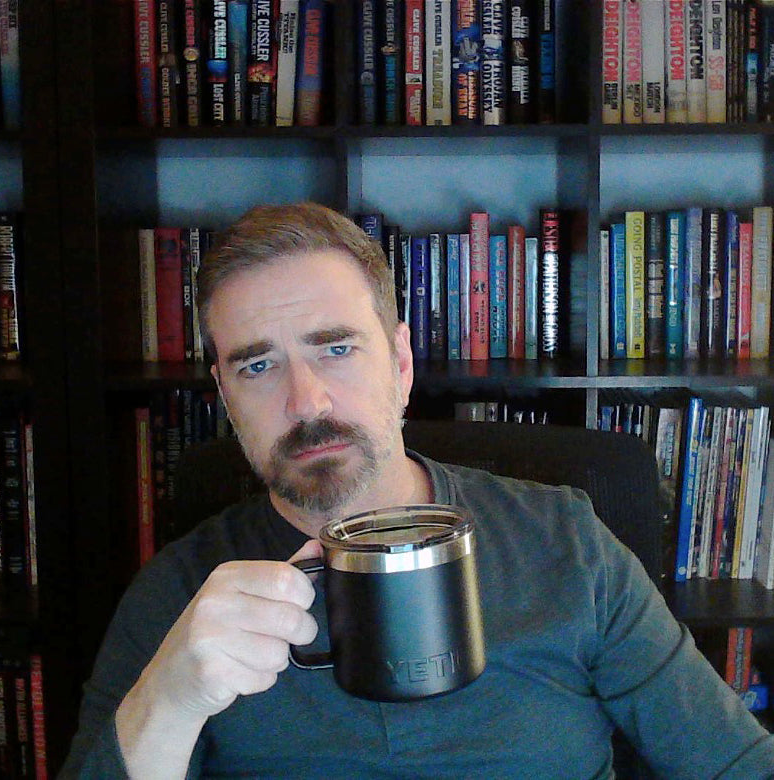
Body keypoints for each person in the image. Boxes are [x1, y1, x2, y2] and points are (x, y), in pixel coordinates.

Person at [60, 202, 774, 779]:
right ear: (222, 393)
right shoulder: (181, 591)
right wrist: (169, 700)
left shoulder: (567, 542)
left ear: (400, 363)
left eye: (336, 349)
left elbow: (734, 760)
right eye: (257, 367)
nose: (306, 401)